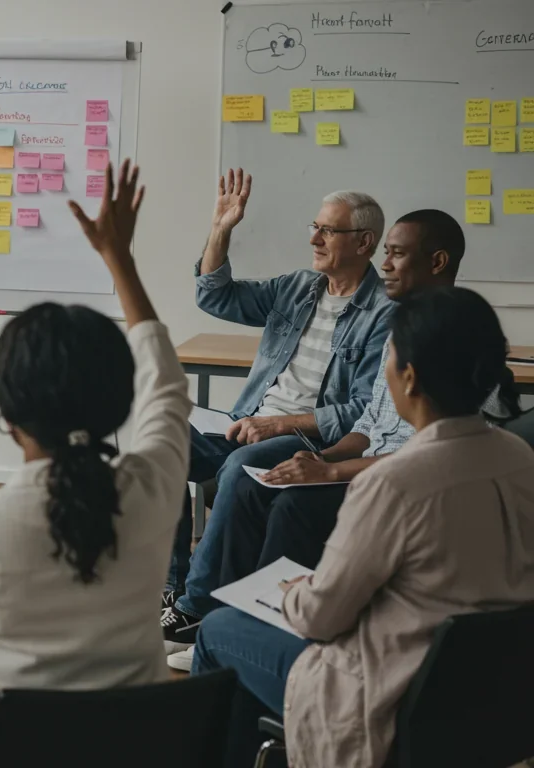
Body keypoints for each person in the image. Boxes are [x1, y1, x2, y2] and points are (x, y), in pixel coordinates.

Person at [0, 162, 191, 768]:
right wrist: (120, 259)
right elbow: (166, 381)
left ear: (8, 416)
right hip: (134, 750)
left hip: (1, 752)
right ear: (118, 401)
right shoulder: (157, 487)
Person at [193, 285, 534, 768]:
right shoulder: (520, 459)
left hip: (390, 694)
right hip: (497, 698)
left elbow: (320, 618)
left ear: (409, 378)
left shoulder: (395, 482)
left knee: (221, 629)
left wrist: (295, 590)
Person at [163, 209, 491, 663]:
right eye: (312, 226)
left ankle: (246, 627)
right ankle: (216, 609)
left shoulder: (431, 329)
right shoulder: (321, 296)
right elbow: (370, 425)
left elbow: (427, 455)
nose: (386, 263)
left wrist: (326, 463)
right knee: (172, 443)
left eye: (395, 254)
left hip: (382, 475)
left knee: (278, 495)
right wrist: (324, 461)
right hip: (345, 454)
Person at [164, 170, 394, 646]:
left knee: (239, 466)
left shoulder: (384, 312)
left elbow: (363, 411)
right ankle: (173, 587)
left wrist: (280, 424)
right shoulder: (297, 287)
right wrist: (221, 230)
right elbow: (215, 295)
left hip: (312, 436)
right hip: (248, 422)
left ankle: (197, 606)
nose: (314, 237)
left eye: (328, 230)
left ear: (365, 242)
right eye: (315, 226)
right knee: (162, 445)